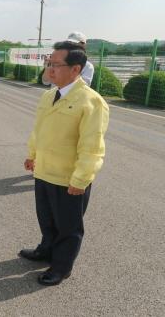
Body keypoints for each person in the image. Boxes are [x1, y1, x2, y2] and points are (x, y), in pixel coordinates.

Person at [20, 40, 110, 286]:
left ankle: (61, 267)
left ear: (76, 69)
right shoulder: (49, 95)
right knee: (46, 218)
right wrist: (32, 154)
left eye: (56, 64)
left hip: (69, 178)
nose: (50, 69)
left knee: (68, 227)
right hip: (44, 171)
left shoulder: (91, 102)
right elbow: (39, 130)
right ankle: (46, 250)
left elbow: (92, 147)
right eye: (49, 63)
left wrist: (81, 179)